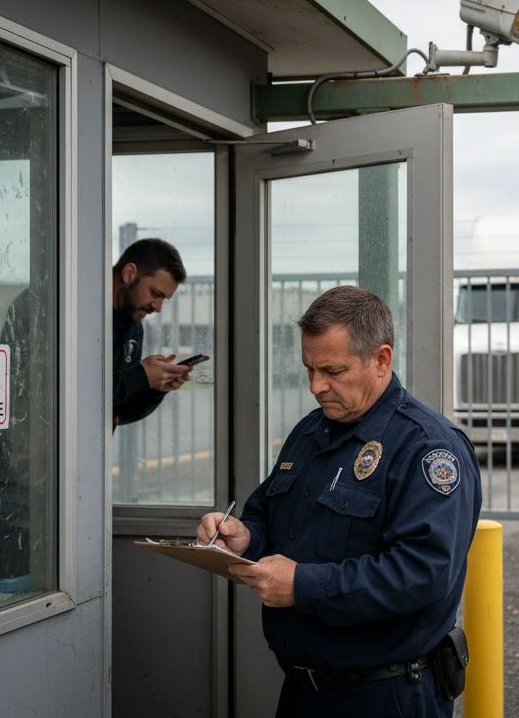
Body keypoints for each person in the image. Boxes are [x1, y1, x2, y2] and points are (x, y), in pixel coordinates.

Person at [198, 286, 481, 718]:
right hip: (303, 692)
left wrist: (303, 586)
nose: (315, 386)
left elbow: (423, 573)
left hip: (387, 697)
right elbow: (268, 518)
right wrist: (243, 538)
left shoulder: (427, 448)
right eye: (309, 368)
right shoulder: (312, 432)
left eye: (332, 370)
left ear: (381, 360)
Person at [112, 238, 192, 427]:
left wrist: (156, 387)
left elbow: (119, 412)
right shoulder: (76, 315)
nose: (158, 308)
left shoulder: (133, 323)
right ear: (129, 273)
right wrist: (140, 376)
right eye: (156, 294)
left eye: (164, 299)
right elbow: (74, 394)